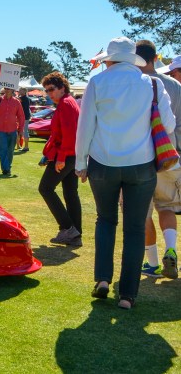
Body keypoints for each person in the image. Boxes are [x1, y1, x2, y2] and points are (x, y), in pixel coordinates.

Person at [76, 37, 174, 309]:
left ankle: (102, 280)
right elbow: (168, 124)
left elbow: (85, 125)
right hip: (141, 163)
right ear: (133, 59)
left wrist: (80, 162)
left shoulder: (97, 82)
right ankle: (128, 295)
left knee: (105, 221)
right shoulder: (153, 84)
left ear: (109, 58)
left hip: (102, 162)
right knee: (134, 229)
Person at [136, 40, 181, 279]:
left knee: (143, 212)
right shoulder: (174, 84)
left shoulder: (133, 84)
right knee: (167, 206)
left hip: (140, 158)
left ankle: (152, 263)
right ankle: (171, 250)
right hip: (169, 156)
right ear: (155, 58)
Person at [38, 72, 82, 247]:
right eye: (46, 90)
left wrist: (61, 158)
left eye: (51, 89)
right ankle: (75, 234)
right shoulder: (67, 102)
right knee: (71, 193)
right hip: (72, 154)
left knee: (46, 188)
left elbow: (69, 135)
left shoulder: (65, 104)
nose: (49, 93)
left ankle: (68, 228)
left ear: (62, 88)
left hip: (68, 154)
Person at [0, 87, 25, 176]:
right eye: (5, 88)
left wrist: (21, 129)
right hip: (1, 129)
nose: (7, 90)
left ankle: (7, 166)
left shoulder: (16, 102)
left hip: (12, 129)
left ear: (12, 90)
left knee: (10, 151)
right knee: (3, 149)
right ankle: (6, 169)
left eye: (9, 88)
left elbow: (21, 116)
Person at [18, 87, 32, 152]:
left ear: (24, 91)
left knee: (25, 131)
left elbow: (17, 100)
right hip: (26, 116)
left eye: (20, 90)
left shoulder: (23, 98)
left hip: (24, 117)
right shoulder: (26, 98)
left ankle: (26, 147)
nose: (19, 91)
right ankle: (25, 146)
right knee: (24, 131)